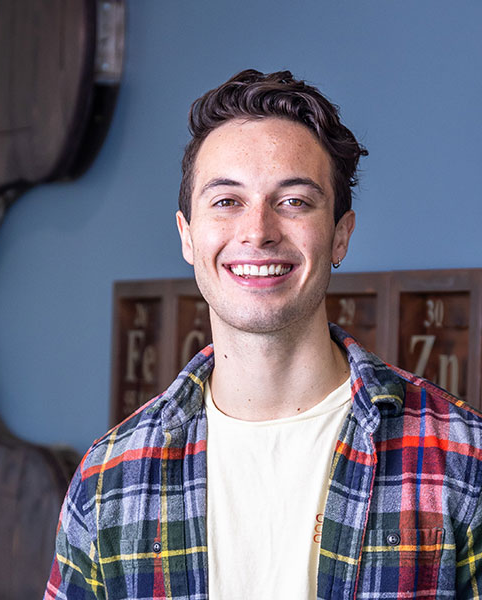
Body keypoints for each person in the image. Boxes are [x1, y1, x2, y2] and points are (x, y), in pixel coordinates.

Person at [44, 70, 482, 600]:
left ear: (340, 236)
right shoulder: (109, 480)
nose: (258, 231)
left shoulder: (462, 458)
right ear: (187, 235)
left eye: (294, 201)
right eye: (226, 201)